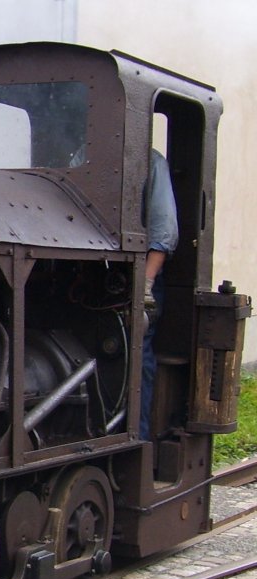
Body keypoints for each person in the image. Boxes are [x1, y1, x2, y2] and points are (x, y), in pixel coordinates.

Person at [140, 149, 179, 440]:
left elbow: (163, 231)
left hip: (137, 277)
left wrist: (146, 283)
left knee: (138, 357)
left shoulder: (151, 162)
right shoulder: (79, 155)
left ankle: (137, 443)